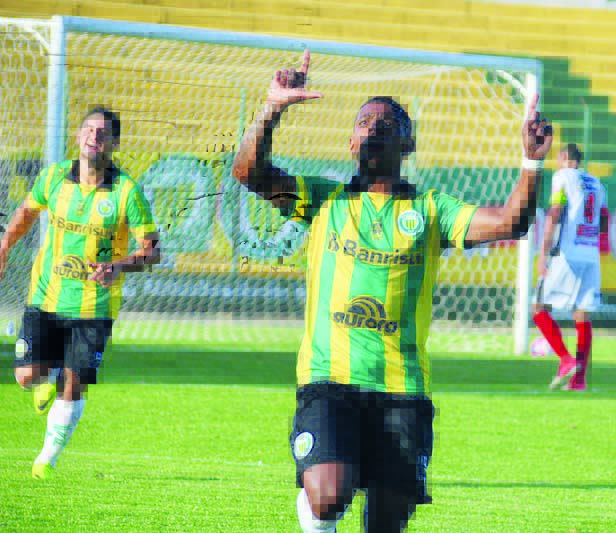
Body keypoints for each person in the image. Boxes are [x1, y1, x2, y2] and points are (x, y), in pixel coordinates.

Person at [232, 50, 552, 532]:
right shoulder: (323, 199)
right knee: (329, 496)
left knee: (386, 523)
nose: (373, 128)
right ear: (350, 141)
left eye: (387, 123)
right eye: (364, 122)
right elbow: (248, 174)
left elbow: (511, 222)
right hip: (329, 379)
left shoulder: (431, 210)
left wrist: (530, 161)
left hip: (402, 388)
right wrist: (272, 108)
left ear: (409, 143)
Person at [0, 107, 160, 479]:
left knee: (75, 383)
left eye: (103, 133)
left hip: (95, 305)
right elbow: (27, 211)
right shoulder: (54, 177)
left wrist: (119, 266)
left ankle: (46, 459)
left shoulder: (126, 192)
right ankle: (52, 370)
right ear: (77, 135)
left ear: (115, 144)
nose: (94, 137)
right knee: (26, 377)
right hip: (46, 295)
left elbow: (152, 250)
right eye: (89, 129)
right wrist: (5, 245)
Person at [532, 144, 607, 391]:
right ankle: (579, 381)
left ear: (564, 158)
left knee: (538, 307)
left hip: (567, 253)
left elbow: (554, 213)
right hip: (591, 255)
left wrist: (543, 252)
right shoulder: (598, 184)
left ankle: (565, 359)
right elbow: (603, 222)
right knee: (583, 315)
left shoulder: (562, 176)